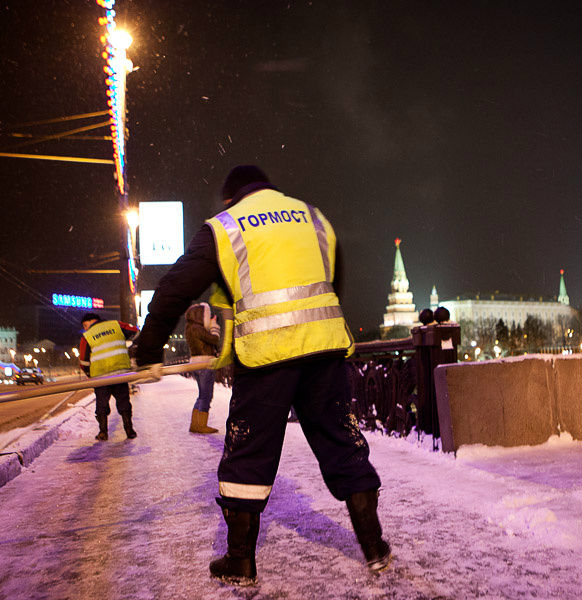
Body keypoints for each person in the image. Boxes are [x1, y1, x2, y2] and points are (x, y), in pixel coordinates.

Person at [133, 165, 390, 585]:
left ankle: (240, 561)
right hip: (324, 350)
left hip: (267, 358)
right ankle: (375, 547)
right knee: (343, 444)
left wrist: (148, 350)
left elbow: (175, 288)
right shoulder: (313, 216)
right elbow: (331, 286)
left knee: (248, 453)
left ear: (230, 198)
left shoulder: (225, 227)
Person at [78, 312, 140, 441]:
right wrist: (132, 348)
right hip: (119, 372)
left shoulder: (87, 336)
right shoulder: (116, 325)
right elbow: (136, 331)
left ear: (90, 322)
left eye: (85, 325)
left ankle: (103, 432)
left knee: (101, 404)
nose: (85, 328)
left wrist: (89, 374)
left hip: (100, 377)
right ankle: (129, 430)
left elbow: (83, 361)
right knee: (124, 401)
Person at [185, 302, 220, 434]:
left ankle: (195, 423)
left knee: (201, 395)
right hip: (205, 363)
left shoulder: (191, 328)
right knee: (206, 396)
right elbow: (214, 340)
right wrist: (214, 327)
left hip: (196, 363)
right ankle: (201, 425)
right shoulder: (197, 329)